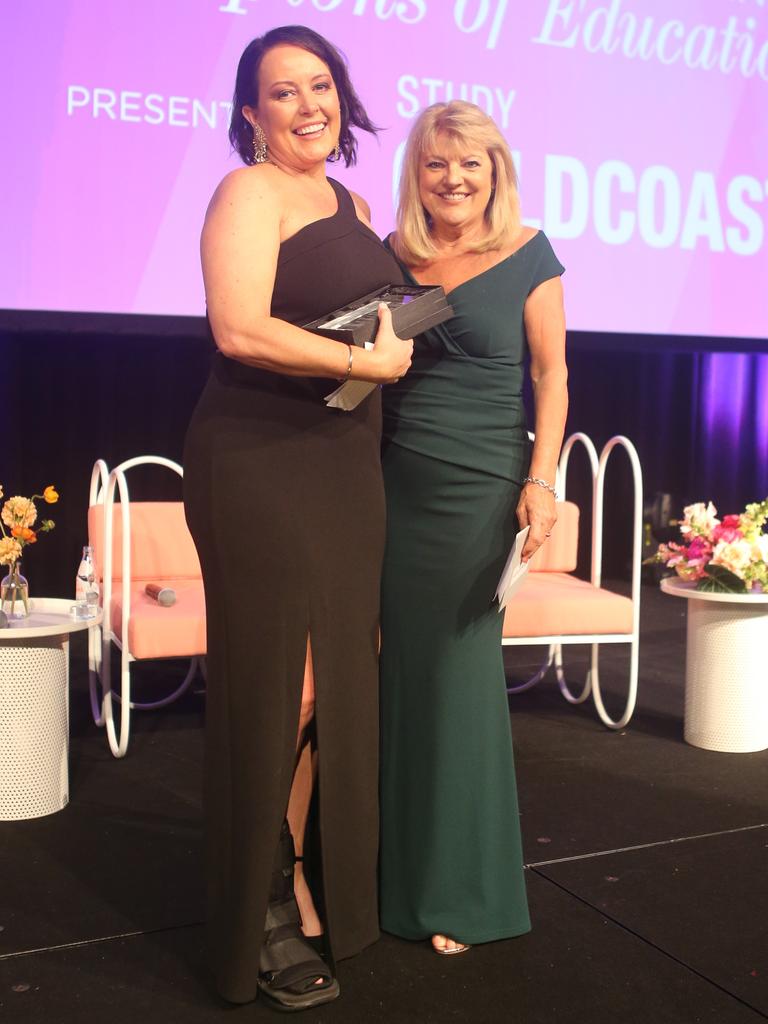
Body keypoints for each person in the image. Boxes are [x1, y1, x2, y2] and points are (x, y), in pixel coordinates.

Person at [183, 25, 412, 1011]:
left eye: (321, 84)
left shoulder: (355, 203)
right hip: (259, 459)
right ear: (252, 114)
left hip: (345, 464)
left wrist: (401, 333)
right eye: (283, 92)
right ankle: (263, 908)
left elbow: (372, 329)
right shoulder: (248, 193)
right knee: (288, 684)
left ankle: (301, 876)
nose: (307, 103)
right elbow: (238, 327)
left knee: (331, 690)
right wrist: (367, 362)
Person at [379, 101, 567, 955]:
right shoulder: (393, 258)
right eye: (436, 164)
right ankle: (391, 879)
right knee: (399, 685)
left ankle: (464, 891)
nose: (454, 179)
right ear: (416, 173)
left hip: (481, 491)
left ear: (497, 173)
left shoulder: (530, 253)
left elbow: (551, 377)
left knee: (456, 688)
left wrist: (540, 481)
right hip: (389, 492)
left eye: (472, 165)